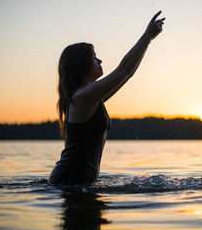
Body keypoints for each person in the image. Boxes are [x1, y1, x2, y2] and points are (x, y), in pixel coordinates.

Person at [49, 11, 165, 185]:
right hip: (70, 180)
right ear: (82, 65)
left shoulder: (90, 98)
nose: (100, 60)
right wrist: (147, 35)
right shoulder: (82, 98)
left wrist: (148, 40)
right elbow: (124, 70)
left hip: (76, 181)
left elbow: (127, 73)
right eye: (94, 57)